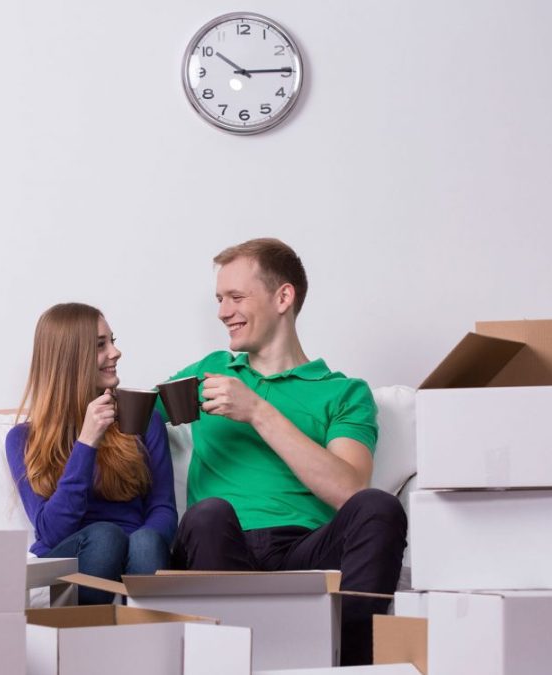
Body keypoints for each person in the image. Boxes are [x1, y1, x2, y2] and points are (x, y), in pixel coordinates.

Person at [164, 238, 407, 665]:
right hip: (219, 543)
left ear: (283, 297)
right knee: (208, 514)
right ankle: (229, 665)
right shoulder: (208, 373)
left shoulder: (343, 392)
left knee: (379, 507)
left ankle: (341, 665)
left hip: (305, 550)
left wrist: (258, 411)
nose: (222, 311)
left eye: (236, 297)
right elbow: (131, 417)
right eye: (220, 299)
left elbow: (350, 488)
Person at [6, 303, 177, 605]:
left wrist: (140, 547)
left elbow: (162, 508)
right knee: (104, 537)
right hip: (73, 557)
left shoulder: (141, 419)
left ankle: (146, 644)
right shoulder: (22, 439)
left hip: (136, 550)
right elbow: (52, 531)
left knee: (147, 540)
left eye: (113, 340)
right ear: (70, 359)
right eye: (101, 345)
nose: (115, 352)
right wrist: (87, 441)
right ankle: (84, 636)